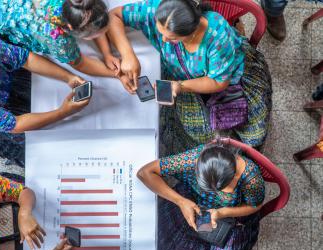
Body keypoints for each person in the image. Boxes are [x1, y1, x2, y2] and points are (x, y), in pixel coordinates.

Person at [108, 0, 272, 156]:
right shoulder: (158, 9)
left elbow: (218, 81)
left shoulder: (218, 35)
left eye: (172, 38)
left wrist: (181, 86)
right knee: (202, 137)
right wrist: (128, 55)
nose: (163, 40)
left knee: (254, 137)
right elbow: (114, 16)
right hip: (180, 76)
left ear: (193, 30)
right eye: (160, 32)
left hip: (231, 77)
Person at [137, 141, 265, 250]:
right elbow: (145, 173)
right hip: (192, 200)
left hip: (231, 217)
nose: (213, 192)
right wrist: (181, 201)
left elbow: (255, 206)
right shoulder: (193, 159)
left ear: (234, 175)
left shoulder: (251, 179)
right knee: (168, 241)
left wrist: (222, 212)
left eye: (220, 190)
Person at [0, 33, 90, 166]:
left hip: (9, 80)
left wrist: (68, 77)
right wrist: (63, 112)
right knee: (44, 155)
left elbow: (25, 59)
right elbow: (15, 124)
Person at [0, 0, 132, 86]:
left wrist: (107, 53)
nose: (105, 35)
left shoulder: (79, 5)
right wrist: (118, 74)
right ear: (71, 29)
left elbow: (90, 17)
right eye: (96, 35)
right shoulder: (57, 40)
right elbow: (80, 64)